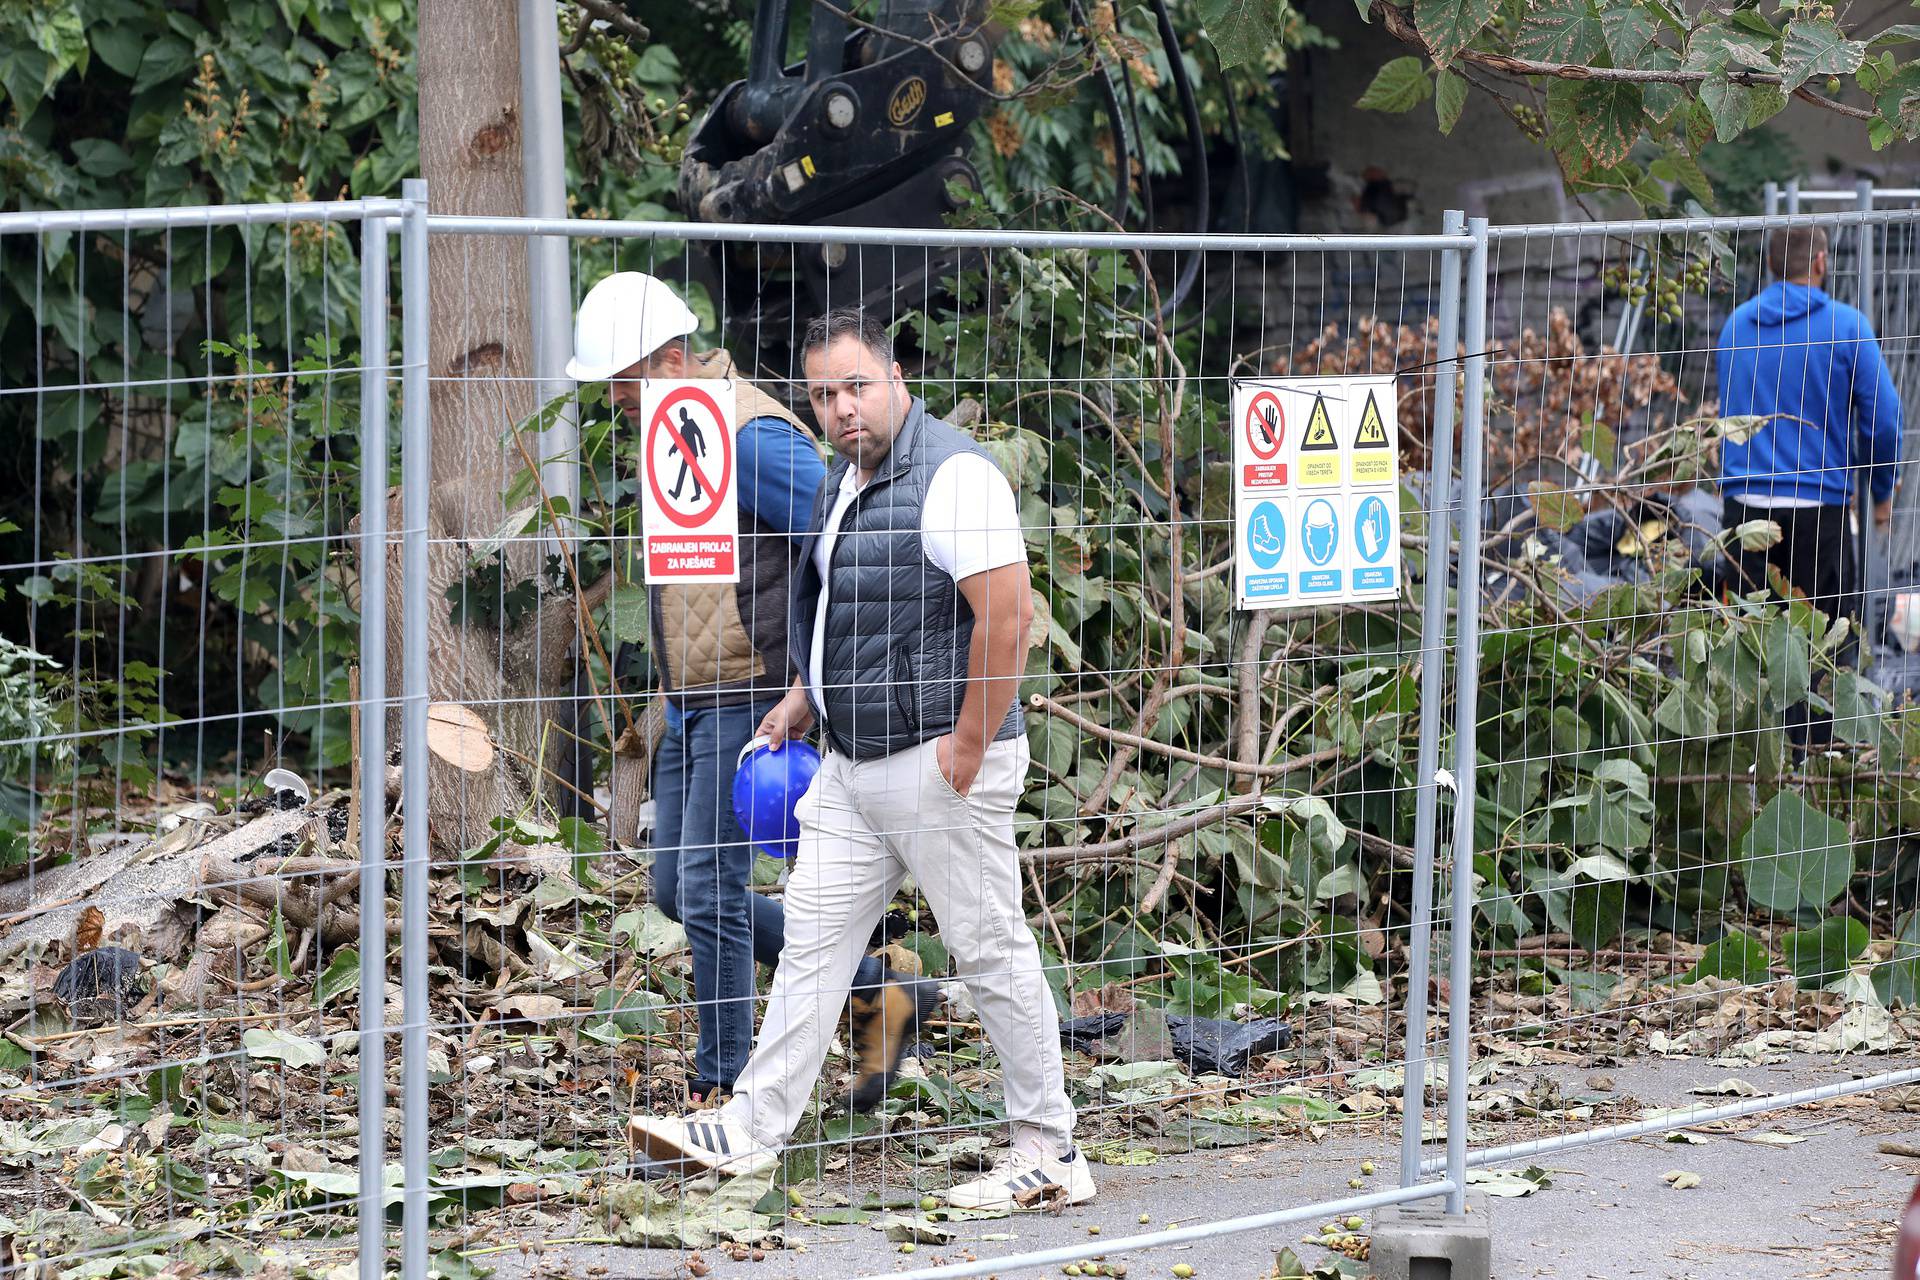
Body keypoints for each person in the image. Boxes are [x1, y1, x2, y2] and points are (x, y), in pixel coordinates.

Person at [628, 308, 1093, 1211]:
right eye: (824, 394)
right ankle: (753, 1130)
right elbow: (853, 610)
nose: (842, 408)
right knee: (809, 947)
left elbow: (1007, 616)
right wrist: (807, 695)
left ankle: (1050, 1148)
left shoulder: (955, 475)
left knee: (989, 949)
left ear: (893, 377)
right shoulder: (845, 483)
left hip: (936, 762)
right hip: (851, 765)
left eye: (856, 387)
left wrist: (965, 743)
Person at [566, 274, 926, 1105]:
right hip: (691, 698)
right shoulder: (677, 426)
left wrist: (810, 675)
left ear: (665, 359)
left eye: (621, 379)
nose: (614, 399)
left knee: (710, 890)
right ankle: (877, 985)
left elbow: (840, 526)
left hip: (749, 689)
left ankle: (721, 1086)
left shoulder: (748, 432)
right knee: (672, 888)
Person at [1716, 224, 1903, 624]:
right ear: (1821, 261)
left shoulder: (1736, 327)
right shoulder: (1848, 327)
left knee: (1746, 654)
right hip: (1817, 512)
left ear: (1771, 264)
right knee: (1820, 655)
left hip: (1744, 511)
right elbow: (1884, 420)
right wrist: (1881, 491)